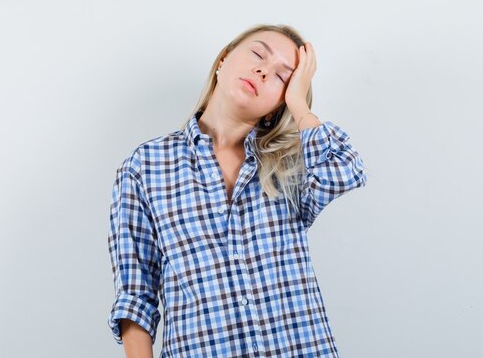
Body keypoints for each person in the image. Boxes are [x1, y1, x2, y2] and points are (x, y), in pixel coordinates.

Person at [106, 23, 368, 358]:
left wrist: (299, 106)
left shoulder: (289, 168)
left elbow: (347, 169)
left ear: (279, 105)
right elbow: (135, 297)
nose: (262, 70)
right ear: (224, 60)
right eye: (258, 54)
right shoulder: (145, 167)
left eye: (281, 77)